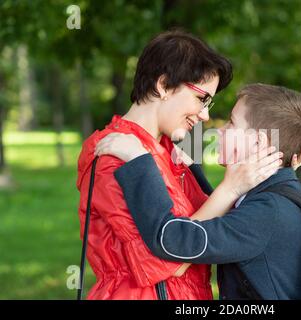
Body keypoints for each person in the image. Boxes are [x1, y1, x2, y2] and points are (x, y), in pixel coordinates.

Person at [76, 31, 283, 300]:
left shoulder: (175, 148)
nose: (206, 114)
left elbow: (213, 226)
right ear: (163, 85)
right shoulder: (113, 154)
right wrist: (229, 189)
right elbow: (166, 261)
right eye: (201, 98)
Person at [95, 83, 301, 299]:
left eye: (231, 123)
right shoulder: (278, 195)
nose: (219, 130)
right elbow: (224, 219)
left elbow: (174, 242)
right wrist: (193, 170)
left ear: (259, 143)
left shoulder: (268, 213)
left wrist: (139, 160)